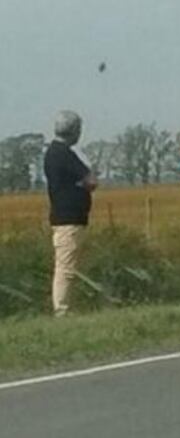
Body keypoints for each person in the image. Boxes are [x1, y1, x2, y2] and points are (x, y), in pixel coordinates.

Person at [43, 111, 98, 316]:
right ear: (74, 130)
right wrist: (83, 184)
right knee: (65, 267)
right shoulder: (64, 154)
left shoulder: (53, 152)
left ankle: (64, 307)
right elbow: (91, 180)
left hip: (64, 216)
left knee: (66, 264)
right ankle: (62, 310)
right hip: (69, 218)